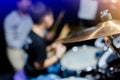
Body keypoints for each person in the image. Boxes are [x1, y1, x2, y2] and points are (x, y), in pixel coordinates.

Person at [24, 2, 66, 80]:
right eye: (52, 16)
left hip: (28, 67)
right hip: (36, 75)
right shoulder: (39, 42)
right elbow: (38, 66)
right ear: (47, 19)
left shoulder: (32, 31)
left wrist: (50, 47)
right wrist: (58, 56)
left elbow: (35, 52)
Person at [4, 0, 33, 71]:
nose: (27, 3)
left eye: (29, 1)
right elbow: (10, 41)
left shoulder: (31, 16)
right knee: (21, 72)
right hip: (16, 49)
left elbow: (38, 28)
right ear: (18, 3)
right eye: (25, 1)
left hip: (29, 47)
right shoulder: (10, 18)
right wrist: (24, 45)